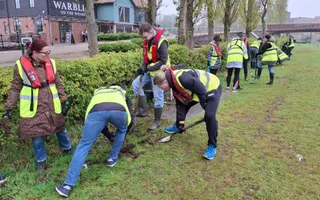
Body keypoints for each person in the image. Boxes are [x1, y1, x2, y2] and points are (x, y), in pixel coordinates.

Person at [2, 39, 72, 172]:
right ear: (34, 52)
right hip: (34, 107)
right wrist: (9, 108)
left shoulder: (51, 63)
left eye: (48, 52)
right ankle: (41, 161)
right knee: (37, 134)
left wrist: (63, 101)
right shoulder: (20, 65)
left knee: (60, 128)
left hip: (52, 103)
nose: (47, 56)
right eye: (44, 53)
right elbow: (15, 88)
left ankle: (67, 149)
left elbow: (58, 83)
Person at [55, 84, 133, 198]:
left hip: (96, 111)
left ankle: (67, 186)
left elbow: (91, 114)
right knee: (122, 130)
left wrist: (101, 132)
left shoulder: (98, 93)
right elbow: (129, 117)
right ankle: (112, 158)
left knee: (84, 144)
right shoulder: (121, 92)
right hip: (119, 110)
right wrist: (123, 129)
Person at [154, 65, 222, 160]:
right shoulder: (173, 83)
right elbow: (181, 104)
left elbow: (202, 91)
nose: (162, 89)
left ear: (165, 82)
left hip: (212, 87)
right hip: (198, 91)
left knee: (210, 116)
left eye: (161, 87)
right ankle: (177, 126)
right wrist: (181, 123)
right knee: (183, 105)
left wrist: (205, 108)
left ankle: (212, 146)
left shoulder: (184, 79)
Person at [132, 22, 170, 130]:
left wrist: (147, 68)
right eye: (142, 37)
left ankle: (157, 121)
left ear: (150, 32)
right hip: (150, 71)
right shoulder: (147, 41)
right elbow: (146, 57)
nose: (144, 39)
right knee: (135, 85)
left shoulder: (161, 42)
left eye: (145, 37)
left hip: (160, 72)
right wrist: (143, 67)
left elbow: (163, 61)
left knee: (158, 96)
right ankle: (142, 111)